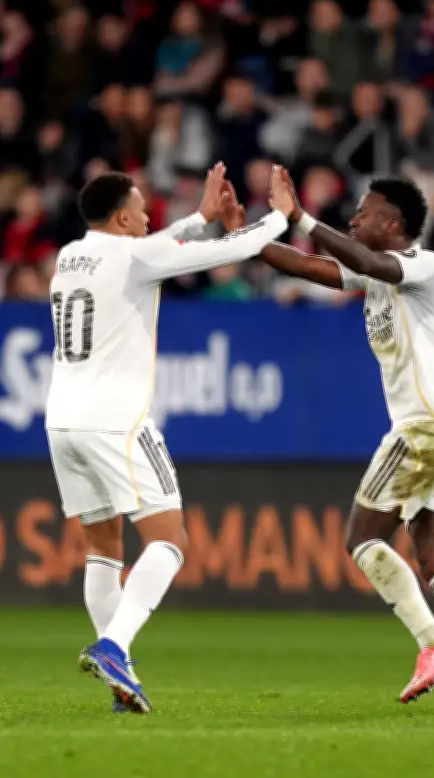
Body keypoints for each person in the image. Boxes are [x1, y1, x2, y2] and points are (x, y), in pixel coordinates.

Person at [223, 167, 434, 713]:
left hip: (426, 429)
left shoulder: (423, 265)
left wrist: (301, 216)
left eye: (364, 212)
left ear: (394, 224)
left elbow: (367, 261)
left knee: (362, 538)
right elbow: (307, 267)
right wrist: (246, 234)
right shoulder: (374, 275)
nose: (354, 219)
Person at [45, 164, 290, 714]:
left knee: (103, 550)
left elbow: (155, 246)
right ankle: (114, 647)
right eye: (141, 209)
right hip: (116, 420)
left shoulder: (68, 256)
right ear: (122, 218)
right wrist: (280, 216)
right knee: (170, 541)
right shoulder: (136, 256)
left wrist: (200, 217)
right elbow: (227, 251)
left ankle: (121, 677)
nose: (149, 216)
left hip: (62, 420)